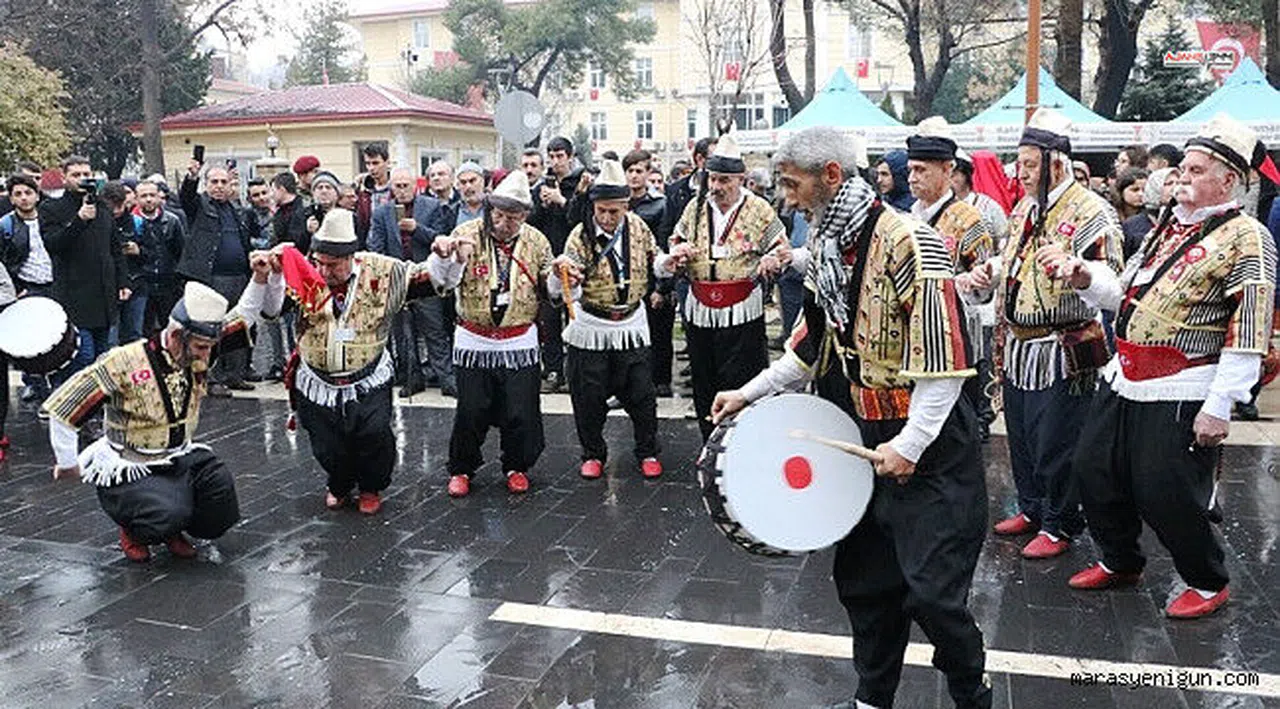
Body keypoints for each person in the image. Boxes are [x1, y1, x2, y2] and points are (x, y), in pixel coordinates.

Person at [712, 126, 990, 709]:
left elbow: (942, 363)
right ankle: (872, 698)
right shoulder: (830, 245)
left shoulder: (912, 241)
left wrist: (910, 445)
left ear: (831, 176)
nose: (786, 198)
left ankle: (971, 689)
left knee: (932, 594)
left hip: (929, 443)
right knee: (867, 585)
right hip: (862, 436)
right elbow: (812, 345)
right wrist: (749, 391)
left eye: (792, 184)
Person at [1057, 114, 1277, 619]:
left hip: (1184, 382)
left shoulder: (1249, 237)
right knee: (1094, 470)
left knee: (1165, 489)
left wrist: (1220, 405)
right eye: (1183, 169)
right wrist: (1085, 275)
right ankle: (1120, 559)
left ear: (1232, 181)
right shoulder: (1165, 226)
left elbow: (1250, 326)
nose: (1183, 178)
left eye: (1197, 171)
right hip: (1125, 375)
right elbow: (1123, 297)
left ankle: (1206, 579)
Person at [44, 267, 285, 562]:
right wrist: (68, 463)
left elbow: (244, 316)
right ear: (175, 335)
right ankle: (135, 528)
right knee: (167, 512)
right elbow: (66, 405)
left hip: (178, 455)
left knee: (220, 499)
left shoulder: (196, 349)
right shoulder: (124, 361)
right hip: (131, 464)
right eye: (200, 348)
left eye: (209, 348)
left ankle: (172, 526)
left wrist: (261, 278)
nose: (206, 357)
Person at [968, 108, 1124, 559]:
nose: (1020, 171)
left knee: (1058, 439)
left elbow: (1115, 283)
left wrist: (1081, 274)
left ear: (1056, 163)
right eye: (1019, 162)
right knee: (1021, 434)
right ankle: (1033, 508)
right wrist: (991, 271)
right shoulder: (1024, 208)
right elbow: (1012, 256)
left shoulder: (1093, 210)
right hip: (1019, 343)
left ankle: (1060, 522)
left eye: (1030, 163)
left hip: (1064, 345)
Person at [281, 209, 441, 515]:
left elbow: (429, 278)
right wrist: (267, 276)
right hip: (316, 380)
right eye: (320, 263)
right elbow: (270, 308)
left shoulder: (381, 269)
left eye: (333, 265)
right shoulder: (303, 274)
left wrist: (446, 257)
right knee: (326, 442)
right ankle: (339, 483)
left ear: (351, 256)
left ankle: (370, 486)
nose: (325, 271)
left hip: (367, 376)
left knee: (374, 432)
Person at [427, 171, 554, 498]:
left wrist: (564, 276)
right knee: (471, 409)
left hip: (518, 339)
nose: (503, 223)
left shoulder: (537, 242)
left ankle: (517, 465)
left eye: (513, 218)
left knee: (520, 409)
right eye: (498, 215)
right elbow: (444, 284)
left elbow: (550, 290)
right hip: (474, 338)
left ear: (524, 216)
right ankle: (461, 468)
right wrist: (450, 258)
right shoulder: (466, 233)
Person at [662, 134, 794, 439]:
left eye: (725, 180)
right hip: (700, 309)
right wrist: (679, 254)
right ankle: (709, 441)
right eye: (713, 179)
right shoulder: (695, 208)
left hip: (741, 309)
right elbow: (676, 240)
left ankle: (743, 442)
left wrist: (772, 259)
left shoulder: (759, 208)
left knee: (742, 378)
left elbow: (780, 246)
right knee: (703, 378)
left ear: (741, 180)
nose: (717, 187)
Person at [550, 160, 666, 480]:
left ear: (626, 206)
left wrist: (669, 264)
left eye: (614, 211)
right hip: (592, 324)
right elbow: (562, 281)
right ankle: (592, 453)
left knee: (642, 394)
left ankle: (647, 450)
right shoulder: (579, 235)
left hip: (630, 322)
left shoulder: (639, 228)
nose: (606, 218)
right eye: (601, 210)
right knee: (588, 395)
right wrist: (565, 275)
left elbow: (656, 261)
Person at [906, 118, 996, 440]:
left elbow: (986, 289)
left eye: (921, 170)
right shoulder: (906, 218)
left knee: (955, 428)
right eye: (911, 169)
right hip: (913, 336)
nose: (912, 178)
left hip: (956, 339)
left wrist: (968, 283)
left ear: (948, 170)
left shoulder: (969, 219)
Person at [40, 156, 130, 382]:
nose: (82, 179)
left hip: (104, 294)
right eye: (76, 175)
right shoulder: (52, 208)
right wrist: (79, 220)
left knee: (103, 355)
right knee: (83, 355)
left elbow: (115, 249)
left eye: (86, 174)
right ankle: (73, 402)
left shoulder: (103, 208)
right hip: (74, 294)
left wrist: (123, 281)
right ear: (64, 177)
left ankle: (96, 404)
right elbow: (54, 244)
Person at [368, 167, 453, 397]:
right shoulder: (382, 213)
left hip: (425, 277)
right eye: (397, 186)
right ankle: (411, 378)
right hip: (397, 279)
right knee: (403, 333)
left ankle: (446, 378)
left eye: (406, 185)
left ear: (415, 185)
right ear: (391, 187)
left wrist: (417, 230)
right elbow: (376, 247)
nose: (402, 190)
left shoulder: (431, 206)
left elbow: (441, 239)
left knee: (434, 331)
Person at [176, 158, 257, 394]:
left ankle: (234, 374)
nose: (219, 186)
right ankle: (210, 378)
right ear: (206, 184)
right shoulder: (199, 205)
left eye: (224, 182)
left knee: (238, 328)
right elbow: (186, 198)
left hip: (239, 278)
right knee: (209, 329)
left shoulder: (238, 210)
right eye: (214, 181)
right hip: (211, 278)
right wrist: (191, 177)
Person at [530, 136, 587, 394]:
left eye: (559, 156)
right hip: (549, 262)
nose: (555, 162)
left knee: (576, 319)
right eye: (551, 157)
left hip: (576, 261)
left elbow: (581, 219)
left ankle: (577, 372)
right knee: (550, 320)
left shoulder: (582, 183)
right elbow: (531, 224)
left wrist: (563, 201)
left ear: (570, 155)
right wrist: (543, 204)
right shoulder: (543, 186)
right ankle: (553, 370)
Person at [624, 150, 674, 396]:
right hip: (627, 279)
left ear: (648, 173)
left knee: (659, 333)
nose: (634, 176)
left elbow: (664, 247)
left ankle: (661, 381)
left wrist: (661, 288)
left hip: (653, 276)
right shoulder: (618, 203)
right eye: (630, 171)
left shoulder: (660, 204)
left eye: (639, 171)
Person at [134, 179, 187, 338]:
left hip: (169, 285)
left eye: (152, 195)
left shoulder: (172, 221)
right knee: (145, 332)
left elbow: (182, 253)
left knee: (172, 331)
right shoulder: (132, 222)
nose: (148, 199)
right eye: (144, 196)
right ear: (137, 199)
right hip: (143, 286)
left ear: (159, 197)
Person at [1121, 166, 1179, 259]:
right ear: (1155, 187)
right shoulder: (1133, 225)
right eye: (1168, 184)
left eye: (1178, 183)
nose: (1175, 188)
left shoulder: (1183, 222)